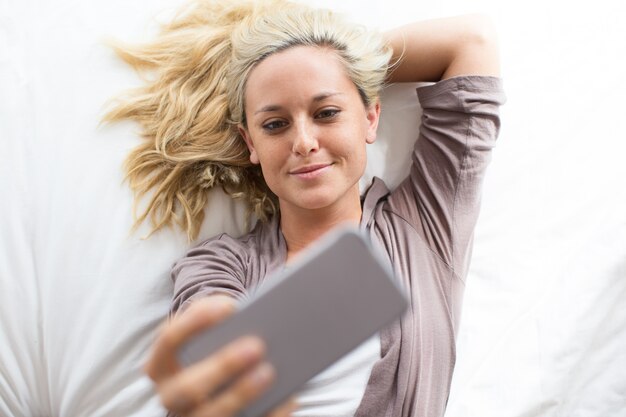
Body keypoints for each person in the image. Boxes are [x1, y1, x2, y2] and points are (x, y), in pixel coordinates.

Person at [104, 0, 504, 416]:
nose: (303, 141)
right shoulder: (220, 263)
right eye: (275, 124)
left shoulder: (424, 225)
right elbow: (207, 330)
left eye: (327, 112)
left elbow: (471, 41)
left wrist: (334, 60)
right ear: (250, 144)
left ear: (370, 118)